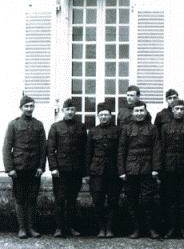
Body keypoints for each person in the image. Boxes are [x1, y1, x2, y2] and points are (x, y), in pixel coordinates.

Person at [3, 96, 45, 238]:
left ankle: (31, 228)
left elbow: (42, 148)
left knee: (32, 198)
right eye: (26, 106)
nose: (29, 109)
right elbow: (6, 148)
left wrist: (41, 167)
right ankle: (22, 229)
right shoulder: (13, 124)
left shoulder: (38, 125)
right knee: (20, 199)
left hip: (34, 169)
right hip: (19, 168)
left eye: (31, 106)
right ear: (21, 108)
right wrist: (10, 169)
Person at [118, 100, 161, 239]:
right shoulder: (126, 128)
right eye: (137, 111)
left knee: (148, 201)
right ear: (132, 113)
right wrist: (122, 171)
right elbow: (121, 151)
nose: (139, 113)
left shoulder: (152, 128)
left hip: (147, 169)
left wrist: (156, 168)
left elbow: (156, 149)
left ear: (146, 112)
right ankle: (137, 229)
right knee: (132, 201)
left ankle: (151, 229)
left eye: (142, 111)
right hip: (130, 170)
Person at [47, 98, 87, 237]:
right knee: (59, 199)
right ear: (63, 111)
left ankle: (70, 227)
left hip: (76, 170)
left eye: (72, 110)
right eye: (67, 109)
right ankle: (59, 228)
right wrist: (53, 167)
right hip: (60, 170)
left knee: (72, 200)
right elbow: (50, 149)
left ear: (75, 111)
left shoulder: (81, 127)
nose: (70, 112)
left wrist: (84, 171)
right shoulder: (55, 127)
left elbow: (85, 150)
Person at [160, 99, 184, 239]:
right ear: (172, 110)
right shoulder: (165, 128)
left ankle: (183, 229)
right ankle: (171, 228)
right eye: (177, 109)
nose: (179, 111)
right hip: (169, 169)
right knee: (170, 201)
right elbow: (162, 148)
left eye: (182, 109)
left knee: (183, 201)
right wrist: (162, 168)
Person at [85, 102, 122, 238]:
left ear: (111, 116)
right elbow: (88, 153)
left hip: (113, 171)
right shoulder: (93, 131)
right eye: (101, 115)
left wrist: (120, 170)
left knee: (113, 200)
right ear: (98, 116)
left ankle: (110, 228)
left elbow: (121, 151)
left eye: (106, 115)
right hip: (97, 171)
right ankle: (101, 228)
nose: (104, 117)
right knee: (98, 200)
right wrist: (87, 173)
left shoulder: (118, 131)